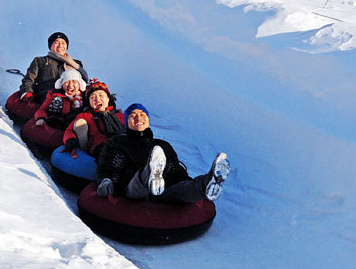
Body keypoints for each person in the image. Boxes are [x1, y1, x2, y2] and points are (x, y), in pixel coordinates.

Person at [95, 103, 230, 203]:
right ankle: (150, 174)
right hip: (131, 189)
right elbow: (104, 167)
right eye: (132, 116)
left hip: (164, 189)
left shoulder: (161, 145)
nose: (138, 118)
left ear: (148, 120)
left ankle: (207, 184)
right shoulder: (117, 142)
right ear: (126, 122)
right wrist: (105, 182)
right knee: (139, 180)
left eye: (142, 115)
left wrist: (187, 182)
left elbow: (176, 171)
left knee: (181, 189)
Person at [61, 79, 124, 159]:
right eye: (93, 97)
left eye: (101, 95)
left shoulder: (118, 115)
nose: (97, 99)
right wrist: (71, 140)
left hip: (120, 143)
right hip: (98, 146)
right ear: (89, 102)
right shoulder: (86, 116)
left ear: (108, 99)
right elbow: (69, 130)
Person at [19, 32, 89, 103]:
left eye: (63, 43)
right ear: (50, 46)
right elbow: (29, 80)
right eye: (56, 42)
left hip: (71, 94)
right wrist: (27, 92)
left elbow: (84, 80)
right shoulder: (40, 61)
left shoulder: (75, 63)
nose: (60, 46)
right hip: (47, 95)